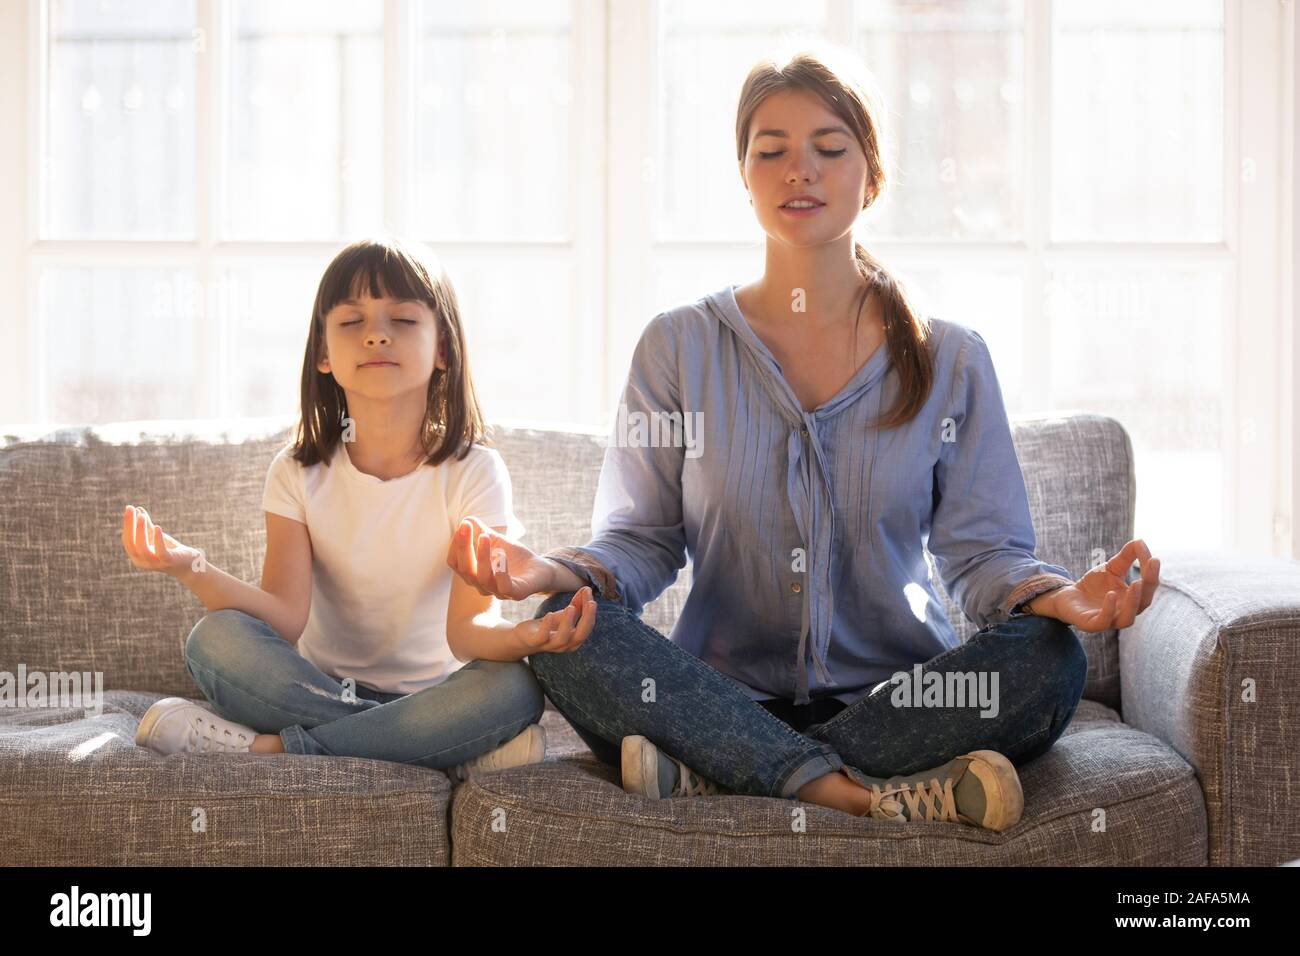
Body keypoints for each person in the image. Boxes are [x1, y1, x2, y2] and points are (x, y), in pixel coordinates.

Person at [446, 46, 1161, 830]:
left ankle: (723, 773)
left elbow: (981, 555)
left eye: (829, 148)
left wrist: (1064, 599)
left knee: (1051, 660)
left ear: (872, 173)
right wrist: (545, 569)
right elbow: (642, 541)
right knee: (568, 626)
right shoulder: (678, 346)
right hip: (715, 693)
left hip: (903, 700)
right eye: (772, 151)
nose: (800, 171)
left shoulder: (951, 357)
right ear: (744, 174)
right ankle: (855, 787)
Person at [123, 236, 594, 780]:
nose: (376, 333)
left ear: (443, 349)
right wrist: (190, 566)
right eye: (352, 322)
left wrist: (522, 639)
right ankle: (444, 748)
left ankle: (271, 751)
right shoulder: (297, 472)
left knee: (513, 687)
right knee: (214, 639)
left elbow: (468, 632)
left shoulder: (473, 471)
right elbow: (284, 616)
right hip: (318, 689)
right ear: (323, 353)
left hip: (440, 694)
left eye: (403, 319)